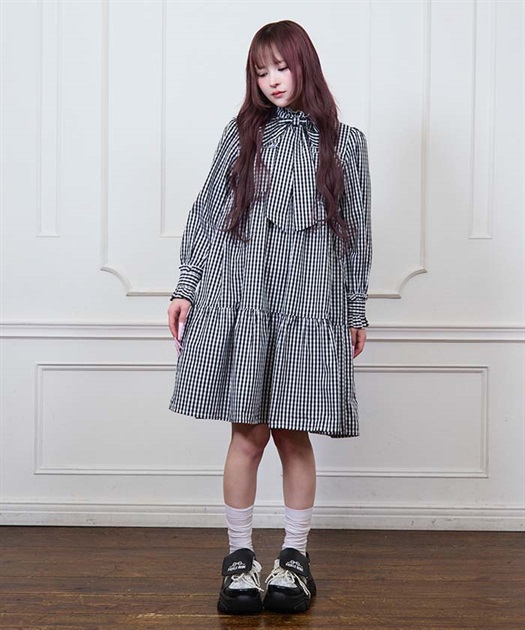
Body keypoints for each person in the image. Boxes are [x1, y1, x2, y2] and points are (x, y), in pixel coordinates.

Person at [167, 19, 372, 615]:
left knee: (291, 432)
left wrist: (354, 308)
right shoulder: (242, 135)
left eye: (282, 67)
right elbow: (208, 212)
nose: (273, 80)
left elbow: (355, 231)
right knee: (248, 433)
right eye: (261, 72)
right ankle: (238, 558)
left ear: (305, 65)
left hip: (310, 306)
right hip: (245, 301)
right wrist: (187, 286)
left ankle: (294, 558)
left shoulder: (346, 142)